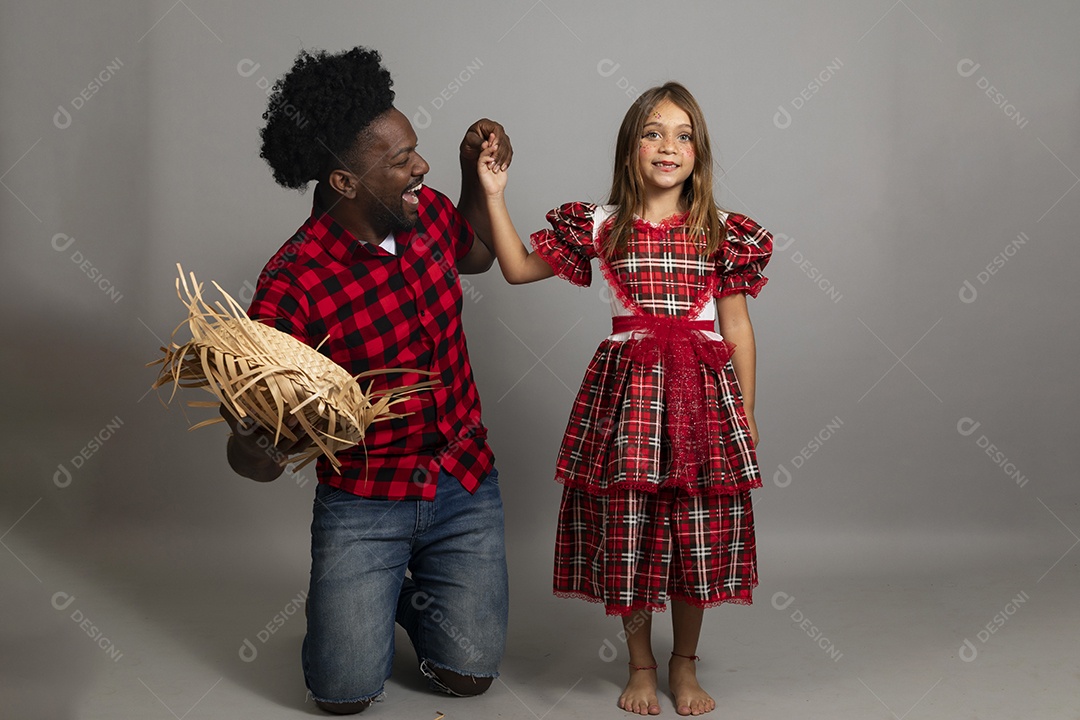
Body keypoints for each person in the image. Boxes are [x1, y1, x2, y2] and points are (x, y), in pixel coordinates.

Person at [220, 46, 514, 714]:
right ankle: (365, 591)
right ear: (344, 183)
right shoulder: (289, 287)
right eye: (401, 159)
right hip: (366, 501)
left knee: (468, 677)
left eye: (417, 149)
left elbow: (477, 256)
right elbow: (255, 466)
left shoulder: (428, 211)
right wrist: (254, 429)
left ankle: (400, 599)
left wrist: (474, 177)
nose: (422, 166)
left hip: (463, 481)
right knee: (343, 693)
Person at [476, 82, 773, 716]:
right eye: (654, 132)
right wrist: (495, 197)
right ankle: (639, 665)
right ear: (630, 145)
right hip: (629, 397)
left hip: (701, 394)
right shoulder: (600, 225)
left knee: (696, 528)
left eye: (683, 135)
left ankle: (683, 663)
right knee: (630, 527)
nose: (669, 146)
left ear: (700, 151)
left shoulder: (722, 232)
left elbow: (738, 328)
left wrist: (744, 412)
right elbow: (517, 269)